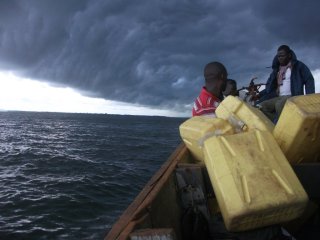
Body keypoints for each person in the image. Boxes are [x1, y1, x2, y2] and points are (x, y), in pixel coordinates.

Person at [259, 45, 315, 122]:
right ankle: (276, 124)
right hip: (278, 96)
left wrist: (309, 97)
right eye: (278, 56)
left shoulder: (298, 66)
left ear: (289, 55)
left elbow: (309, 79)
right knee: (261, 106)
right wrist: (258, 95)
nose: (280, 58)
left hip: (293, 96)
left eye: (282, 56)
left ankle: (281, 124)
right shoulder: (277, 70)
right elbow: (269, 86)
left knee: (279, 104)